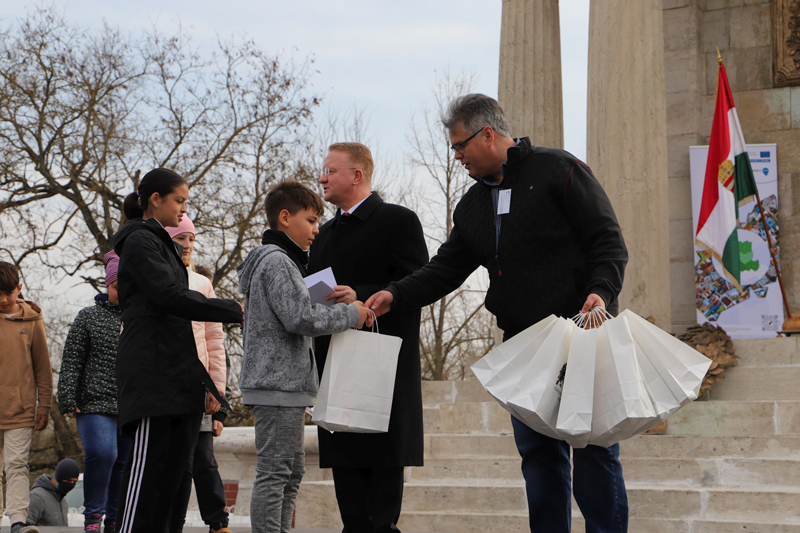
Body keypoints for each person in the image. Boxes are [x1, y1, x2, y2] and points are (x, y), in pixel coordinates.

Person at [366, 94, 630, 533]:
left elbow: (608, 240)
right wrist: (394, 295)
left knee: (594, 451)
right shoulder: (472, 206)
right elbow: (444, 269)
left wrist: (600, 291)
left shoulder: (558, 169)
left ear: (487, 134)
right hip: (524, 346)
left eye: (459, 146)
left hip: (582, 334)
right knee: (539, 459)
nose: (456, 156)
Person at [112, 168, 243, 533]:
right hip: (152, 380)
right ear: (155, 199)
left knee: (170, 486)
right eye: (179, 201)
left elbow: (182, 321)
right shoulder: (139, 241)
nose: (184, 210)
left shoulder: (163, 246)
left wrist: (208, 385)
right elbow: (170, 297)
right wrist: (234, 310)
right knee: (146, 484)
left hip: (178, 380)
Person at [237, 179, 370, 533]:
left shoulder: (282, 262)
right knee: (275, 473)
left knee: (290, 472)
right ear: (285, 217)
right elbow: (300, 318)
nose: (316, 229)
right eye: (310, 220)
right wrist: (350, 315)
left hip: (286, 387)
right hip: (277, 386)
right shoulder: (277, 261)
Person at [308, 142, 428, 532]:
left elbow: (418, 285)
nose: (322, 178)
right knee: (352, 514)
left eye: (330, 171)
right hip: (335, 374)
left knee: (381, 513)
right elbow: (313, 299)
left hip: (382, 377)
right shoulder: (323, 235)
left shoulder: (399, 221)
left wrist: (361, 296)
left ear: (357, 175)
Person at [58, 251, 132, 533]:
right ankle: (93, 518)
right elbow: (72, 359)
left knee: (124, 463)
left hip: (131, 405)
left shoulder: (140, 318)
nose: (121, 292)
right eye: (116, 286)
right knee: (103, 453)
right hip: (94, 404)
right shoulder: (88, 317)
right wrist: (68, 397)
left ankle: (114, 520)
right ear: (107, 285)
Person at [166, 216, 232, 533]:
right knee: (171, 463)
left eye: (191, 239)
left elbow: (214, 341)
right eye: (180, 238)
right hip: (164, 388)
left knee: (202, 460)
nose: (187, 245)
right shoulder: (153, 279)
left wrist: (217, 391)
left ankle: (217, 522)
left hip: (199, 389)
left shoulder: (203, 284)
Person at [0, 261, 52, 533]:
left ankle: (18, 521)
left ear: (19, 288)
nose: (2, 300)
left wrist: (44, 405)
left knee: (17, 465)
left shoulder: (32, 320)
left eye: (8, 293)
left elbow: (42, 366)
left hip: (20, 408)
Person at [26, 458, 80, 526]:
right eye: (68, 481)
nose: (71, 484)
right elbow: (25, 526)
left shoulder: (63, 501)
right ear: (58, 478)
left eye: (74, 481)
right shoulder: (37, 497)